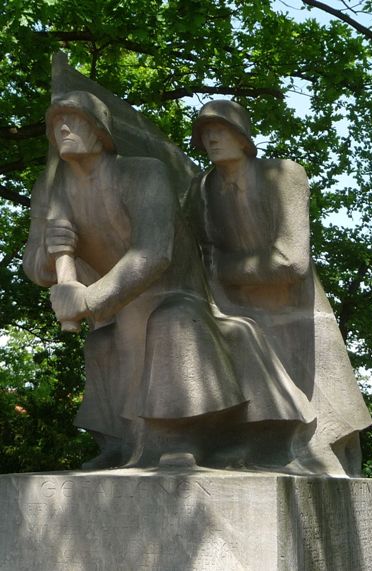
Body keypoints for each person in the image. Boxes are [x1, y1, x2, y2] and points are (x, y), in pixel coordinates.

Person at [23, 91, 251, 469]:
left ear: (100, 130)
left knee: (172, 322)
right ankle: (119, 441)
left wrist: (89, 298)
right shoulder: (50, 190)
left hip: (174, 295)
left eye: (74, 119)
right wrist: (52, 251)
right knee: (102, 344)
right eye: (55, 122)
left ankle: (181, 437)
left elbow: (154, 252)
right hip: (116, 310)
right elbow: (35, 269)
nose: (62, 127)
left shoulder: (143, 173)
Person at [186, 99, 372, 475]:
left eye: (219, 130)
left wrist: (222, 268)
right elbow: (193, 254)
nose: (211, 139)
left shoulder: (283, 175)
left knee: (315, 421)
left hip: (291, 308)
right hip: (233, 307)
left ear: (242, 137)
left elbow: (291, 260)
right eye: (205, 133)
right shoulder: (200, 190)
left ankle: (297, 449)